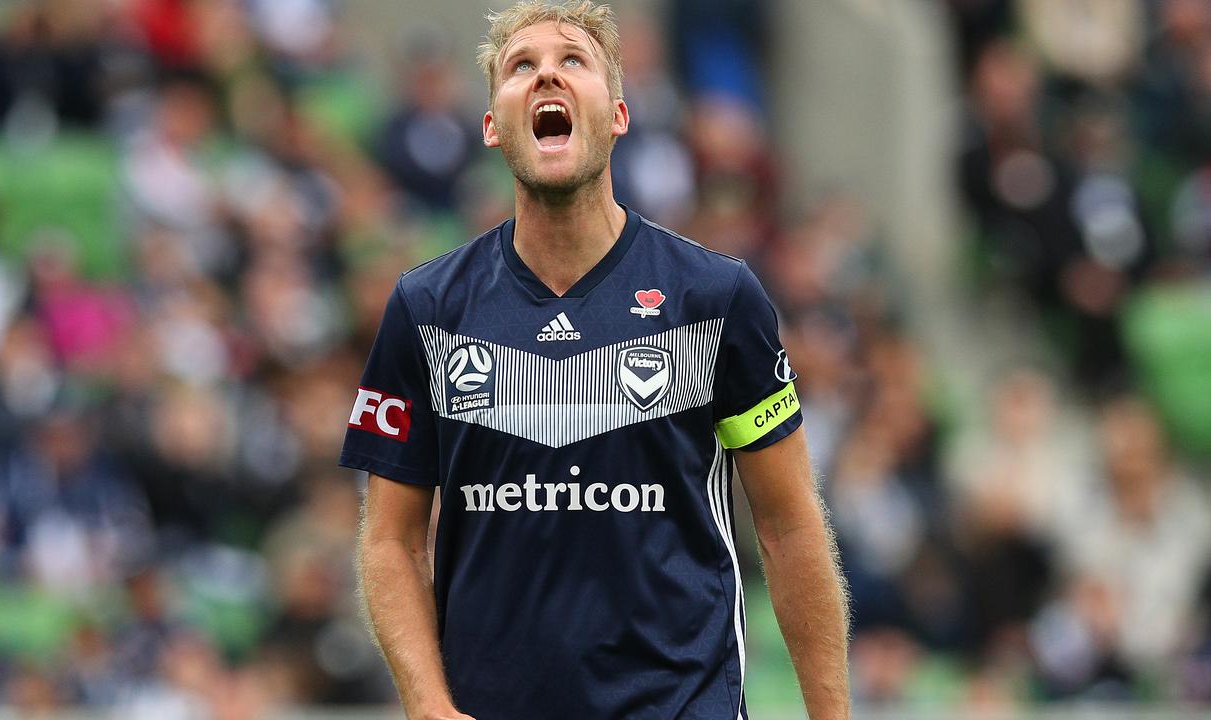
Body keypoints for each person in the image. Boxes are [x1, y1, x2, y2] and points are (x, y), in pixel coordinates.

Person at [339, 2, 850, 718]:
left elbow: (789, 523)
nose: (546, 72)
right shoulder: (427, 308)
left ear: (617, 115)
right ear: (491, 125)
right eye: (522, 66)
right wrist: (427, 703)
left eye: (572, 60)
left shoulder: (714, 296)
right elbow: (391, 541)